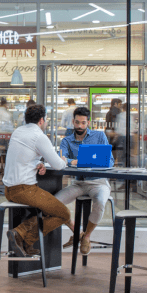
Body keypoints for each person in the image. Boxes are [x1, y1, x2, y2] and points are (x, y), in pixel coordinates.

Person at [2, 104, 70, 257]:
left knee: (49, 209)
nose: (46, 123)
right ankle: (20, 234)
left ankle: (25, 242)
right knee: (63, 213)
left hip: (9, 190)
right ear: (41, 120)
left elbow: (22, 156)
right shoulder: (39, 136)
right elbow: (58, 165)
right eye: (46, 120)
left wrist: (36, 163)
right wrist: (64, 159)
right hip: (24, 190)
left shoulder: (18, 132)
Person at [57, 106, 114, 256]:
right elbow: (60, 159)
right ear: (73, 122)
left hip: (99, 182)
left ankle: (86, 236)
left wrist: (77, 161)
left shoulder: (99, 136)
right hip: (79, 183)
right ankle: (78, 232)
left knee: (100, 202)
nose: (80, 126)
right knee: (54, 202)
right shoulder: (67, 141)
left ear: (88, 122)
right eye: (77, 123)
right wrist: (74, 161)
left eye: (83, 123)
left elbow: (111, 161)